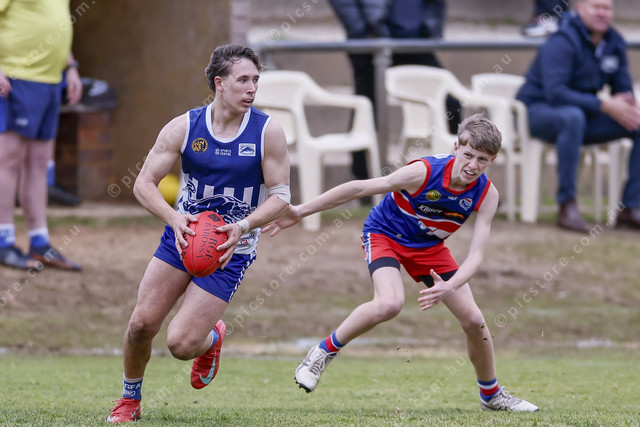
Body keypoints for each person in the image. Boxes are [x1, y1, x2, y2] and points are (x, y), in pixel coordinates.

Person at [265, 114, 539, 412]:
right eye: (468, 155)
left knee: (474, 320)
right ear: (456, 148)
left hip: (429, 247)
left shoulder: (486, 194)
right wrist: (301, 211)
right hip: (385, 234)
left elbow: (476, 256)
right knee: (389, 304)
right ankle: (321, 353)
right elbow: (359, 189)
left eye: (482, 159)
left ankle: (491, 396)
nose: (473, 165)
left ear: (493, 160)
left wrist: (450, 286)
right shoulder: (423, 172)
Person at [106, 44, 291, 423]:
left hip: (231, 249)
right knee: (140, 325)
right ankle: (129, 400)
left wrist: (243, 226)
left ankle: (212, 337)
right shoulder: (185, 127)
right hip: (182, 238)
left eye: (256, 80)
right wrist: (173, 219)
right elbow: (144, 183)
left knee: (181, 344)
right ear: (219, 83)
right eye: (243, 80)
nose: (252, 88)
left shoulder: (267, 132)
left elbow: (281, 197)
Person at [516, 0, 640, 232]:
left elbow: (622, 88)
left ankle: (631, 208)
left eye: (607, 8)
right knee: (572, 117)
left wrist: (627, 104)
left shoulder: (614, 41)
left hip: (582, 116)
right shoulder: (562, 40)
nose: (602, 13)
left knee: (637, 123)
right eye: (596, 7)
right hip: (538, 113)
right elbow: (556, 94)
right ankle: (567, 205)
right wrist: (604, 104)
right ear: (580, 9)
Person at [328, 0, 460, 186]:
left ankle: (458, 182)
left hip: (415, 41)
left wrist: (430, 30)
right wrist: (361, 32)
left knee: (451, 102)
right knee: (367, 109)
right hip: (372, 41)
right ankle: (363, 183)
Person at [0, 0, 83, 271]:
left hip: (51, 82)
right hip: (16, 78)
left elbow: (58, 27)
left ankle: (39, 243)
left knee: (39, 162)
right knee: (7, 159)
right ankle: (3, 242)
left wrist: (71, 67)